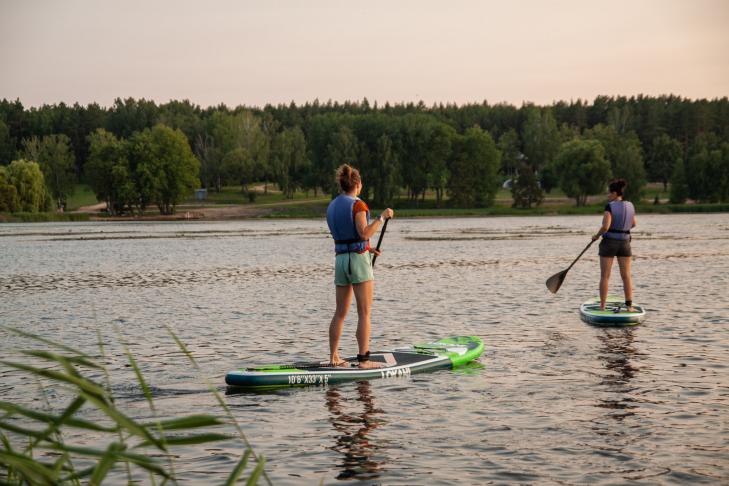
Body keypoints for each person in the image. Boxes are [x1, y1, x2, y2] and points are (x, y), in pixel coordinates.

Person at [326, 164, 394, 369]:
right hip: (357, 261)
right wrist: (381, 218)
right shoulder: (358, 205)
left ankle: (334, 357)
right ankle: (364, 360)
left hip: (340, 260)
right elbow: (364, 232)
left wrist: (368, 249)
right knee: (364, 312)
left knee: (340, 312)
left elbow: (350, 237)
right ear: (356, 184)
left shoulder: (331, 206)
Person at [591, 179, 637, 311]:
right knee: (626, 275)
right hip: (625, 243)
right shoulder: (630, 205)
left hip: (609, 243)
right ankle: (629, 307)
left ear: (615, 193)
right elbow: (633, 223)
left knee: (605, 276)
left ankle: (602, 307)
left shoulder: (609, 206)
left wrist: (596, 236)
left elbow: (605, 227)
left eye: (609, 193)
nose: (608, 195)